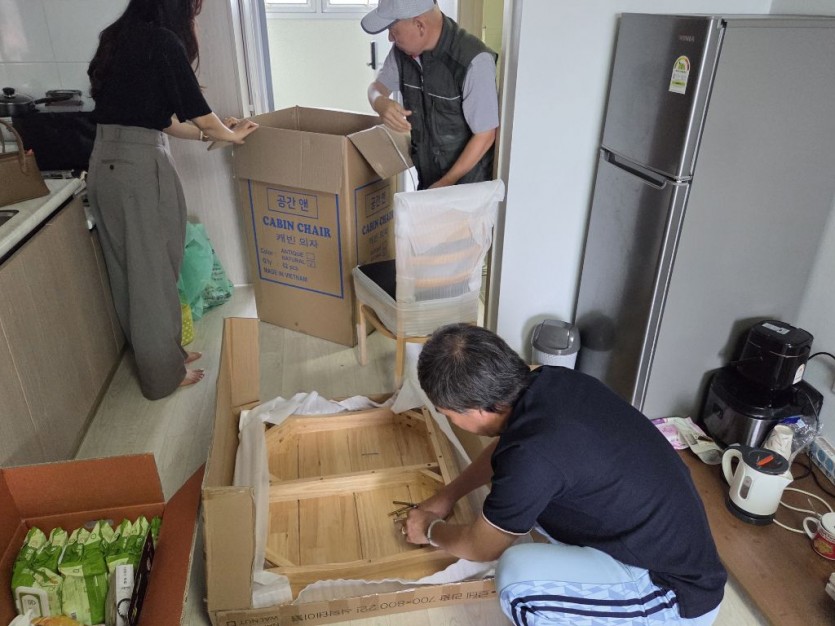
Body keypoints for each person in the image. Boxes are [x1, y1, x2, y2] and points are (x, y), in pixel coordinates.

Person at [405, 323, 727, 625]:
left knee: (517, 578)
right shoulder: (552, 382)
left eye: (448, 415)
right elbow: (510, 450)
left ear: (477, 409)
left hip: (670, 593)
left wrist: (430, 530)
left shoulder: (533, 456)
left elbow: (482, 547)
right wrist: (447, 496)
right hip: (655, 545)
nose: (450, 421)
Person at [86, 0, 258, 400]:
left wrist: (214, 132)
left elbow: (164, 120)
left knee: (133, 272)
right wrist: (229, 133)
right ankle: (162, 375)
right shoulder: (163, 42)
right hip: (137, 166)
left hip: (105, 162)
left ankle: (163, 356)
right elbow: (198, 113)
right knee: (153, 274)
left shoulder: (116, 38)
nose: (193, 17)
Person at [361, 0, 499, 190]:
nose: (390, 38)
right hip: (429, 180)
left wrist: (445, 183)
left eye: (393, 30)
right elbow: (376, 87)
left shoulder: (473, 61)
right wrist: (379, 102)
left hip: (467, 188)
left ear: (420, 25)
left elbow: (485, 134)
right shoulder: (401, 54)